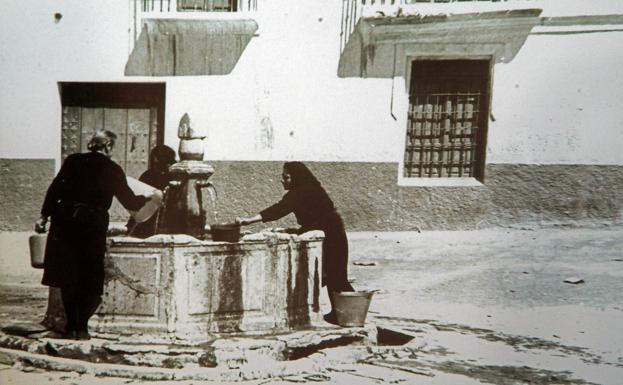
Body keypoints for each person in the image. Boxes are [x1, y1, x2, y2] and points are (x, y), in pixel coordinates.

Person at [34, 130, 151, 340]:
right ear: (108, 147)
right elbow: (130, 202)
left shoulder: (73, 161)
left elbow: (54, 189)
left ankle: (71, 326)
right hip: (91, 225)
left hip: (65, 222)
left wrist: (44, 216)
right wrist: (150, 196)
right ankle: (82, 327)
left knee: (68, 276)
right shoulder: (113, 169)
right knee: (90, 276)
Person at [236, 161, 354, 325]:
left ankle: (352, 315)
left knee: (335, 275)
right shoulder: (308, 189)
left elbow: (279, 209)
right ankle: (342, 314)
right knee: (334, 274)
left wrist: (249, 220)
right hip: (330, 230)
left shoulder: (301, 191)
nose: (283, 180)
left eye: (286, 177)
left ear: (296, 177)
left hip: (331, 234)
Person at [126, 144, 176, 238]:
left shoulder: (173, 176)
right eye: (154, 162)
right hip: (149, 215)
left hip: (165, 218)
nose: (155, 163)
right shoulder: (148, 175)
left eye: (158, 162)